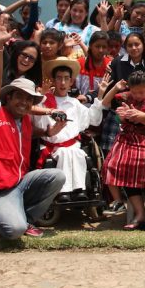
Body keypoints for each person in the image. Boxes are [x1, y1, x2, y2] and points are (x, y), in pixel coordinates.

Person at [0, 3, 65, 239]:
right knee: (13, 231)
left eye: (29, 99)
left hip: (19, 183)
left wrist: (49, 130)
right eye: (20, 98)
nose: (25, 103)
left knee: (57, 176)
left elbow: (31, 135)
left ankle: (26, 217)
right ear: (9, 97)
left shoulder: (24, 120)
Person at [101, 70, 145, 229]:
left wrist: (140, 116)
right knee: (112, 164)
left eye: (142, 92)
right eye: (134, 92)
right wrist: (122, 114)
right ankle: (127, 206)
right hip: (127, 138)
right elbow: (105, 103)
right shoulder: (125, 97)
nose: (138, 95)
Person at [34, 57, 103, 203]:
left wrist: (100, 95)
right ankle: (64, 192)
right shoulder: (46, 102)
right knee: (65, 153)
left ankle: (80, 190)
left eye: (66, 78)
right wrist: (41, 97)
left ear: (72, 81)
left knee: (77, 152)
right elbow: (39, 124)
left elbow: (93, 120)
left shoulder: (74, 103)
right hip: (53, 145)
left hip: (72, 144)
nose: (63, 82)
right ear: (53, 80)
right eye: (59, 78)